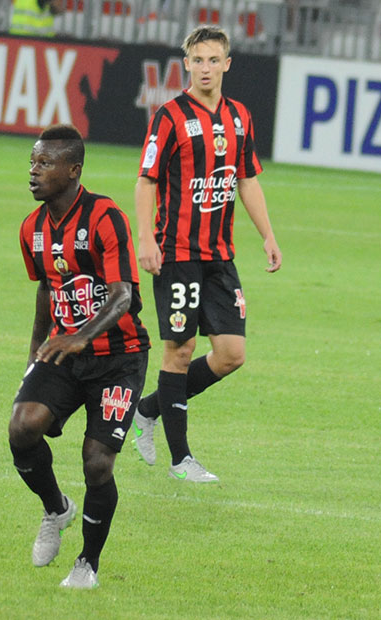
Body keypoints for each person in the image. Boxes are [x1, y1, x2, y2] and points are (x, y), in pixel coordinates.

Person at [132, 25, 282, 482]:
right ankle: (182, 459)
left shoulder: (240, 117)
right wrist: (146, 238)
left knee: (232, 353)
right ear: (187, 64)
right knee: (179, 350)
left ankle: (148, 410)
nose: (205, 68)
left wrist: (268, 236)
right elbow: (147, 181)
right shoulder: (170, 116)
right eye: (197, 60)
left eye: (214, 60)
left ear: (227, 64)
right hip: (177, 251)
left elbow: (247, 179)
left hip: (220, 254)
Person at [10, 124, 150, 588]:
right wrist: (35, 353)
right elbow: (47, 290)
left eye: (44, 164)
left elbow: (123, 296)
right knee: (23, 427)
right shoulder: (32, 229)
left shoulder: (105, 217)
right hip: (64, 352)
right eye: (32, 162)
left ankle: (87, 564)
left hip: (120, 357)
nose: (33, 171)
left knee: (97, 461)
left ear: (73, 170)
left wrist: (80, 336)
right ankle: (56, 509)